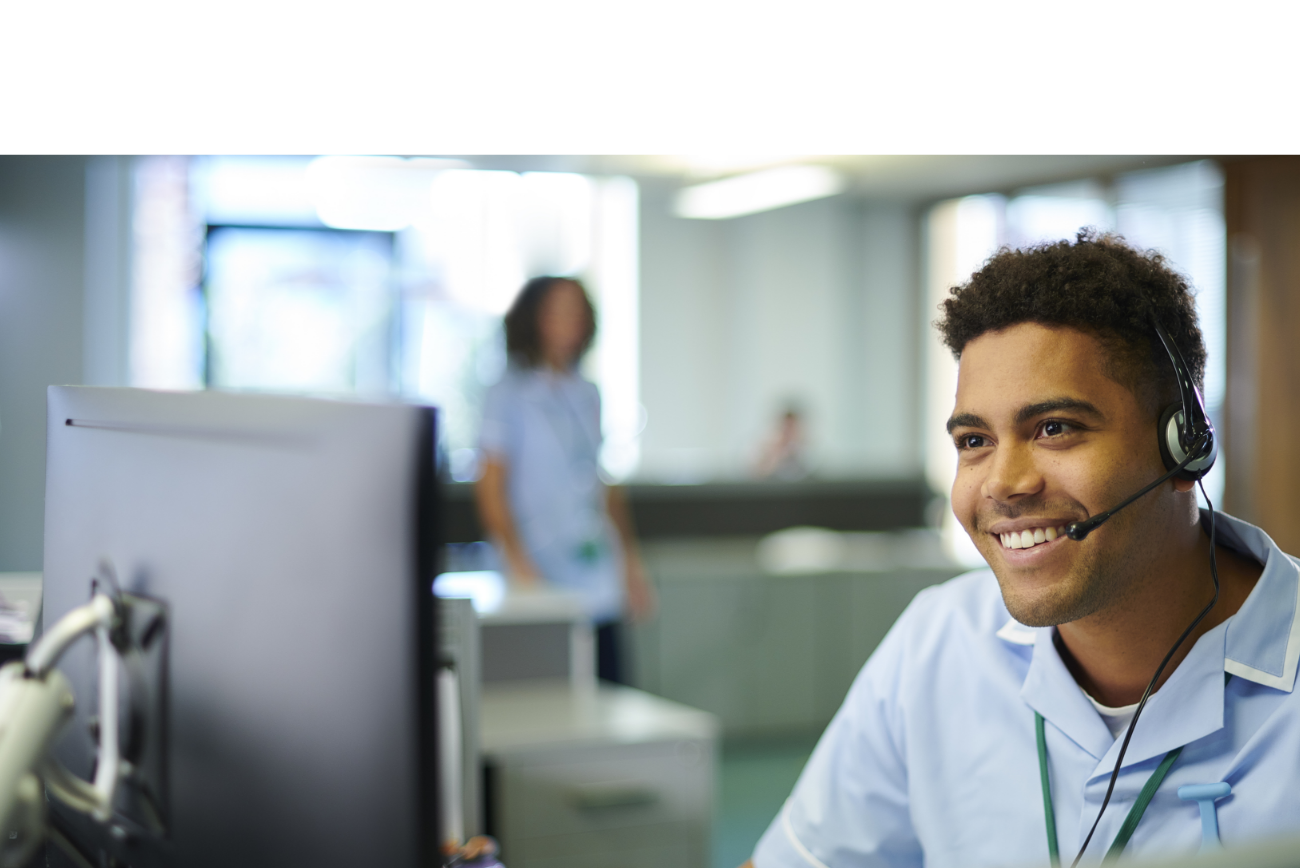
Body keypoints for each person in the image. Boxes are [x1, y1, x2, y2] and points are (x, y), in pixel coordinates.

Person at [747, 231, 1299, 868]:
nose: (1004, 485)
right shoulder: (937, 644)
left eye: (1055, 429)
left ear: (1184, 445)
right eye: (974, 441)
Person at [475, 276, 654, 684]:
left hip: (593, 565)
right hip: (535, 565)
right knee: (546, 690)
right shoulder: (508, 393)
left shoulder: (588, 393)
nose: (567, 321)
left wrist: (629, 563)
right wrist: (520, 565)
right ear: (532, 319)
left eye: (576, 311)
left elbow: (601, 482)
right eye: (555, 311)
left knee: (610, 686)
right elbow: (490, 485)